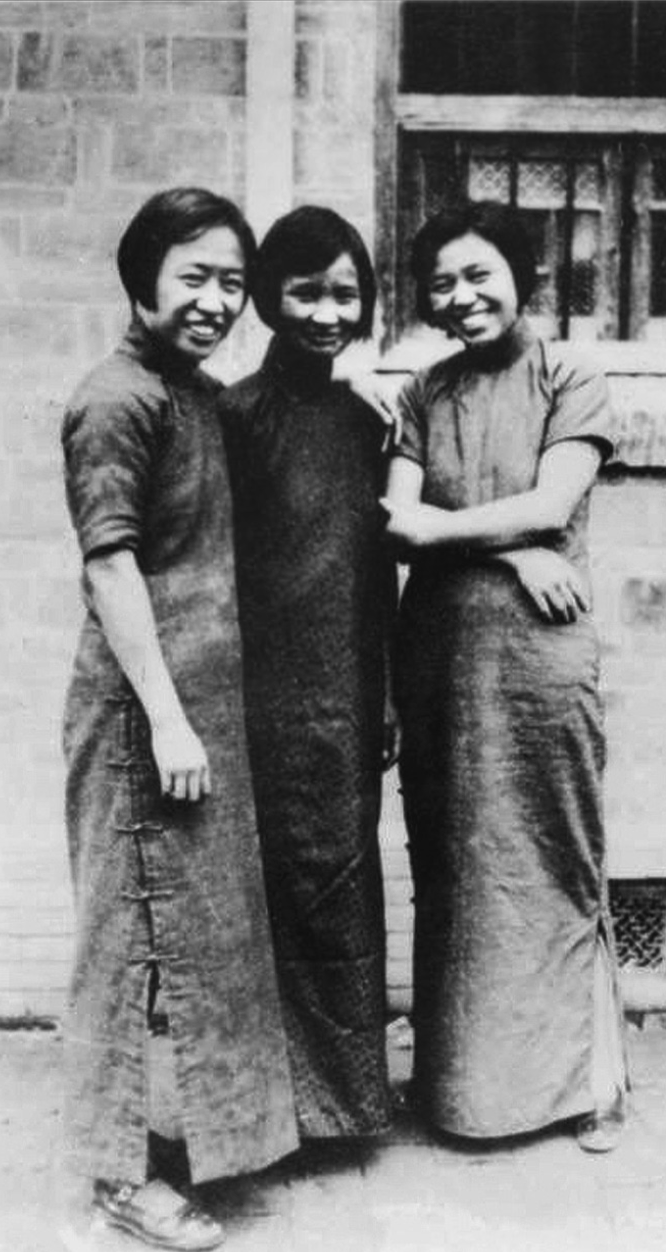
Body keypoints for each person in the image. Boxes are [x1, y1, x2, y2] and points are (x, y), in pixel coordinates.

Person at [61, 188, 297, 1250]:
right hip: (137, 716)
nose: (216, 299)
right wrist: (164, 719)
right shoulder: (115, 399)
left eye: (233, 282)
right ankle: (118, 1178)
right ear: (143, 277)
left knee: (190, 935)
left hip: (193, 709)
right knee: (128, 939)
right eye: (195, 276)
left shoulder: (192, 393)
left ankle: (175, 1140)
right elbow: (109, 566)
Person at [382, 200, 627, 1152]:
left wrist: (475, 533)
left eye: (479, 274)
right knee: (454, 867)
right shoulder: (422, 392)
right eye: (441, 282)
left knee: (554, 859)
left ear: (521, 276)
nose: (461, 295)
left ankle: (592, 1088)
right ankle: (463, 1095)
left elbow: (552, 501)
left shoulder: (572, 377)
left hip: (537, 660)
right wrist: (515, 549)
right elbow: (397, 525)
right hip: (439, 660)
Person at [221, 206, 396, 1142]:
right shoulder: (237, 417)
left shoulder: (366, 422)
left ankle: (347, 1107)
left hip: (350, 695)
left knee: (344, 884)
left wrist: (389, 694)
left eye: (346, 294)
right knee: (276, 889)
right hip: (265, 698)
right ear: (268, 299)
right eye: (307, 293)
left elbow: (375, 570)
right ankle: (274, 1111)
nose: (329, 313)